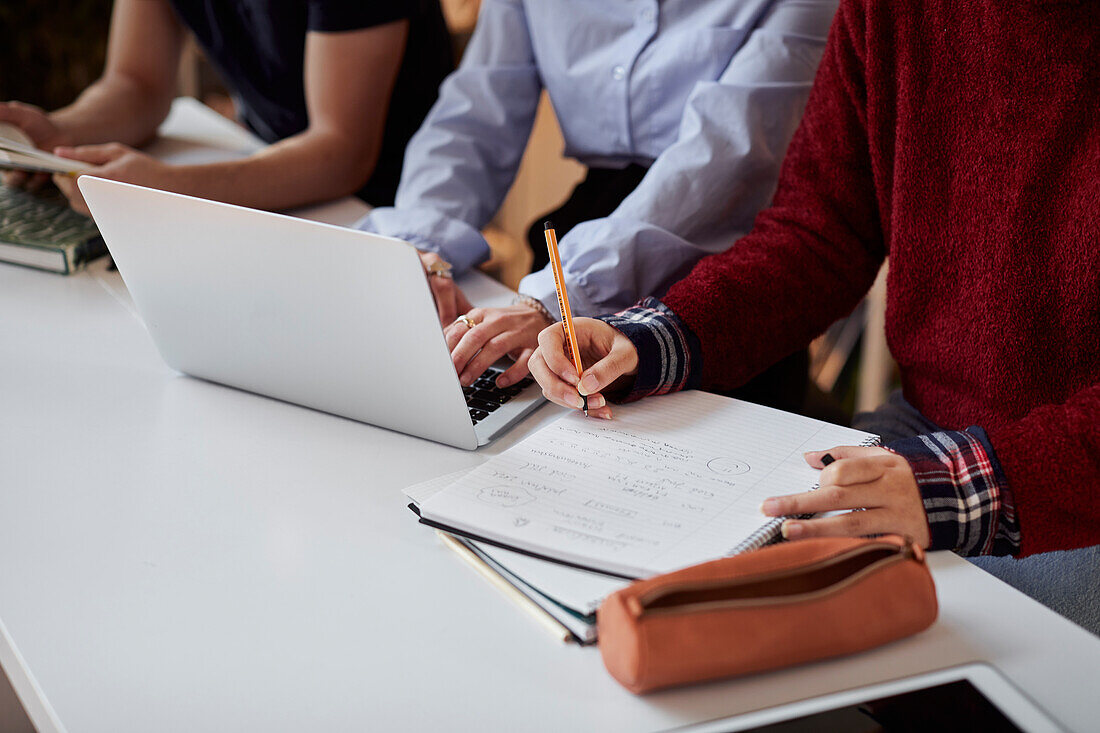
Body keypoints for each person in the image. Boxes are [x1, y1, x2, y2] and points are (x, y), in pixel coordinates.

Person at [529, 0, 1100, 632]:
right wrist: (643, 341)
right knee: (702, 611)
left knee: (971, 654)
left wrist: (960, 486)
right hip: (929, 433)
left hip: (1066, 474)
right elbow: (820, 232)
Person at [360, 0, 838, 392]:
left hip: (736, 261)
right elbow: (478, 112)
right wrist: (421, 246)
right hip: (586, 229)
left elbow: (728, 154)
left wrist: (553, 300)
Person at [0, 0, 452, 213]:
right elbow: (136, 82)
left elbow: (342, 153)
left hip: (388, 207)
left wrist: (169, 189)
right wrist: (62, 133)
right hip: (264, 170)